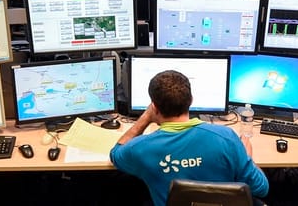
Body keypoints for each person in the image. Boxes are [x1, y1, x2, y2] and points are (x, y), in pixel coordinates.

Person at [109, 70, 269, 206]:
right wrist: (246, 156)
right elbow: (261, 188)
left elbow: (116, 153)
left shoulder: (140, 148)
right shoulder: (227, 138)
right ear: (191, 100)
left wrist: (146, 117)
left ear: (154, 107)